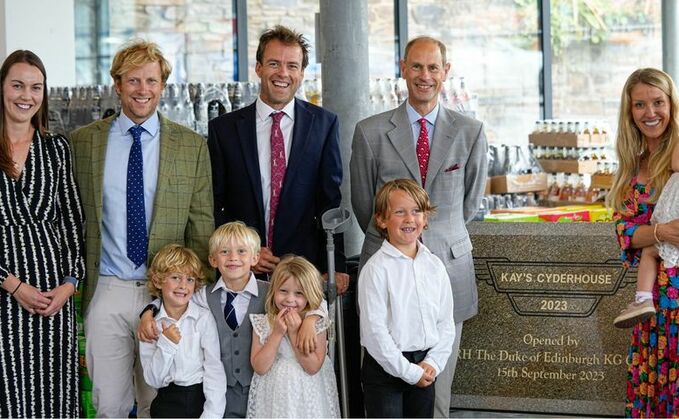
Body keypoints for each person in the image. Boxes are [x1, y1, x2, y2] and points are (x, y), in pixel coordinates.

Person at [70, 40, 214, 417]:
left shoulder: (191, 146)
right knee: (109, 404)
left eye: (151, 80)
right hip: (107, 289)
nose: (142, 90)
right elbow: (72, 219)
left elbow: (201, 224)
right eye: (133, 80)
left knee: (160, 401)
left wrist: (193, 296)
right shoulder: (83, 143)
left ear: (163, 85)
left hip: (166, 295)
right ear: (117, 84)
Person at [350, 35, 487, 417]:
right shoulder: (370, 131)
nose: (424, 76)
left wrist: (432, 239)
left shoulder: (470, 131)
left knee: (437, 396)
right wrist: (398, 245)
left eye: (432, 68)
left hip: (448, 270)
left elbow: (469, 204)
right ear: (403, 68)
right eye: (416, 67)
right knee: (384, 392)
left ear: (446, 72)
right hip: (387, 274)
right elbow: (364, 205)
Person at [207, 25, 349, 304]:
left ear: (301, 74)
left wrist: (336, 266)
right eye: (274, 63)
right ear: (259, 68)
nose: (283, 73)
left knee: (303, 347)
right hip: (243, 271)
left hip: (304, 272)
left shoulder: (323, 124)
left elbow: (330, 200)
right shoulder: (223, 130)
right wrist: (245, 251)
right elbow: (214, 202)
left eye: (292, 66)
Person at [138, 221, 325, 417]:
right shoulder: (203, 295)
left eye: (242, 251)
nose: (233, 258)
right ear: (212, 260)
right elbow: (175, 298)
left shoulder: (272, 292)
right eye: (225, 252)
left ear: (255, 257)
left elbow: (309, 299)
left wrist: (312, 320)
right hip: (221, 395)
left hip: (262, 390)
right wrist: (148, 312)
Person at [0, 50, 85, 418]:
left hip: (53, 300)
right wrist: (14, 285)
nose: (26, 95)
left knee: (53, 394)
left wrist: (69, 284)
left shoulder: (56, 148)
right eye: (17, 85)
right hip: (3, 296)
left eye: (36, 87)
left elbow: (72, 222)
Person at [607, 67, 679, 416]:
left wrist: (649, 234)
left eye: (658, 102)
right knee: (653, 386)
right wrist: (661, 232)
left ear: (672, 106)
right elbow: (625, 232)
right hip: (649, 305)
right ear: (629, 112)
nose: (650, 113)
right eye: (640, 104)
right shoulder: (631, 166)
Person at [358, 179, 454, 418]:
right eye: (399, 212)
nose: (410, 219)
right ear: (381, 220)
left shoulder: (435, 266)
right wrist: (410, 373)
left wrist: (433, 363)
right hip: (386, 369)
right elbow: (375, 333)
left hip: (425, 364)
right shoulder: (376, 269)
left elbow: (446, 323)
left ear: (425, 218)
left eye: (416, 211)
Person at [248, 255, 340, 418]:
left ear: (309, 294)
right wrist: (276, 333)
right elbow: (260, 367)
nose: (290, 299)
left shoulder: (316, 324)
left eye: (299, 293)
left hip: (308, 396)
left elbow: (312, 367)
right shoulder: (263, 323)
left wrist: (294, 332)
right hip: (275, 398)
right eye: (283, 291)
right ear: (273, 290)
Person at [140, 244, 226, 418]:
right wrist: (167, 344)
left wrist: (212, 414)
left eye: (190, 279)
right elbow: (153, 379)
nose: (183, 285)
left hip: (199, 402)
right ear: (157, 281)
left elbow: (214, 369)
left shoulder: (203, 318)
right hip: (166, 403)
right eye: (176, 277)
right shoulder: (150, 325)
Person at [612, 143, 679, 328]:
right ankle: (644, 299)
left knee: (651, 250)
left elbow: (675, 162)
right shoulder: (632, 166)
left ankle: (643, 298)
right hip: (662, 298)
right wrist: (660, 232)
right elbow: (623, 227)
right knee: (652, 247)